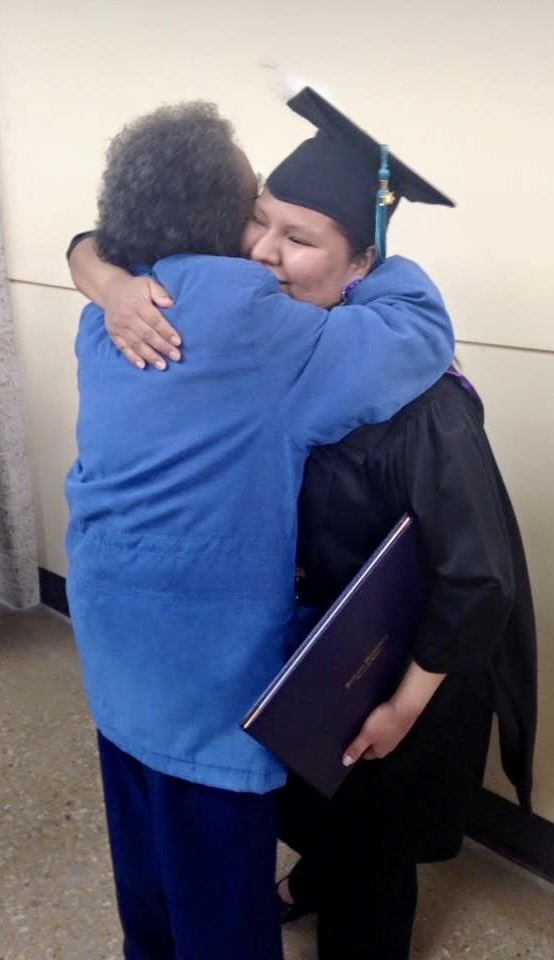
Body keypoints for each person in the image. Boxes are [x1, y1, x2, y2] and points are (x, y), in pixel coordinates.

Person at [68, 88, 536, 960]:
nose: (265, 252)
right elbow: (418, 324)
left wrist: (94, 267)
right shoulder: (276, 333)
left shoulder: (120, 313)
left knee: (188, 869)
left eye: (299, 236)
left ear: (360, 260)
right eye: (259, 220)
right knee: (228, 881)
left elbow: (476, 577)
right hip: (241, 676)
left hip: (278, 661)